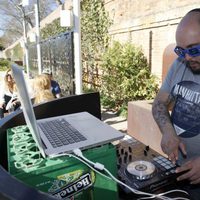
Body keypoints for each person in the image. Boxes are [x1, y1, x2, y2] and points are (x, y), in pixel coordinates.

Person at [152, 9, 200, 200]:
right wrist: (168, 131)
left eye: (194, 49)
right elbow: (159, 104)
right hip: (179, 170)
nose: (187, 57)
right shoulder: (180, 64)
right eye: (181, 50)